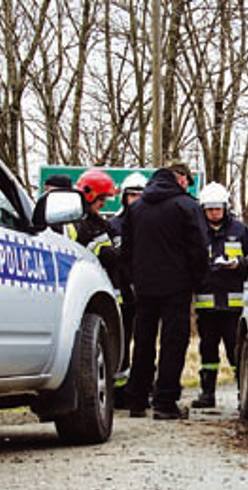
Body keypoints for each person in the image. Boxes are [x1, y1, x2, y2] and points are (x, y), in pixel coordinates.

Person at [121, 162, 209, 420]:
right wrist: (198, 281)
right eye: (187, 181)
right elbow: (199, 248)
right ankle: (165, 402)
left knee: (143, 342)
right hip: (177, 286)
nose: (188, 185)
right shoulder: (186, 207)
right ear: (180, 179)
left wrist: (133, 280)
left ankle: (136, 400)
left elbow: (126, 249)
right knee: (173, 343)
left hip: (145, 286)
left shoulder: (136, 208)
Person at [193, 182, 248, 408]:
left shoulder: (241, 231)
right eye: (209, 209)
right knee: (207, 351)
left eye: (217, 208)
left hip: (234, 307)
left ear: (225, 207)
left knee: (236, 352)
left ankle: (244, 395)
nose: (214, 213)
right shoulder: (196, 232)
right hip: (207, 306)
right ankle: (207, 394)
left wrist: (239, 264)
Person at [108, 171, 147, 408]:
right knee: (120, 341)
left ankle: (140, 388)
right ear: (124, 197)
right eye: (131, 195)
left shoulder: (150, 222)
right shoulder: (114, 224)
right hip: (118, 291)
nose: (135, 199)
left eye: (139, 195)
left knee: (143, 342)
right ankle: (119, 392)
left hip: (143, 291)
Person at [69, 169, 120, 285]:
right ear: (89, 195)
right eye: (101, 199)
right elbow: (84, 251)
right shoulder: (76, 223)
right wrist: (108, 253)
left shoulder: (101, 223)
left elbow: (117, 239)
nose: (103, 204)